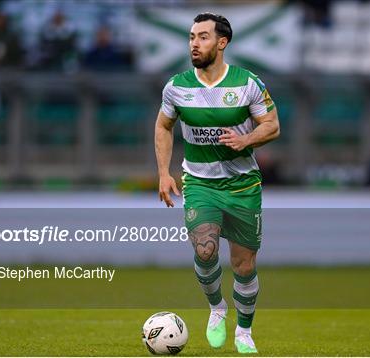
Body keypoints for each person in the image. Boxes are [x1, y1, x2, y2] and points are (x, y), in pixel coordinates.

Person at [154, 13, 280, 354]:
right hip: (200, 183)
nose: (194, 43)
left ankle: (243, 331)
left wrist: (247, 139)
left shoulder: (247, 83)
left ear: (222, 43)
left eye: (203, 37)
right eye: (192, 36)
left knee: (244, 265)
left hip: (242, 185)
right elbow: (163, 126)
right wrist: (165, 172)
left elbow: (272, 124)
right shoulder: (177, 86)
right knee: (204, 250)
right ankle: (216, 308)